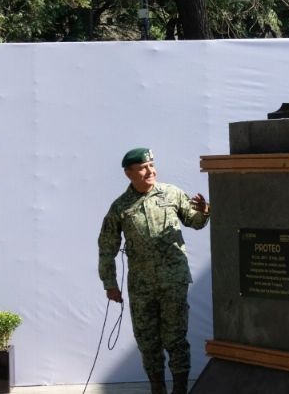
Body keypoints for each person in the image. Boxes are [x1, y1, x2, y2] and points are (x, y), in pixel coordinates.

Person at [98, 148, 210, 394]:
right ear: (129, 174)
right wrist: (110, 284)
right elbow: (107, 248)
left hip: (173, 281)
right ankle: (157, 389)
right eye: (143, 168)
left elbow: (193, 221)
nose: (151, 171)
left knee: (176, 340)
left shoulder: (172, 193)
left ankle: (180, 390)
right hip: (142, 287)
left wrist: (203, 212)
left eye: (152, 165)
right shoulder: (120, 207)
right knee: (148, 342)